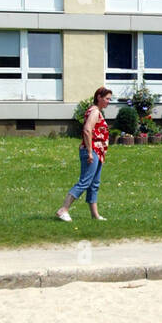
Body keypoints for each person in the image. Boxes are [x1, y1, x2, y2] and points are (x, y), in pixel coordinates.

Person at [56, 87, 112, 223]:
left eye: (110, 99)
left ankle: (95, 215)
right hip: (91, 151)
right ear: (99, 97)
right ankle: (63, 210)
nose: (108, 102)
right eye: (107, 99)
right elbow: (87, 130)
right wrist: (89, 152)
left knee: (94, 184)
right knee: (85, 182)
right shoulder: (94, 112)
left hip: (98, 152)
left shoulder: (96, 111)